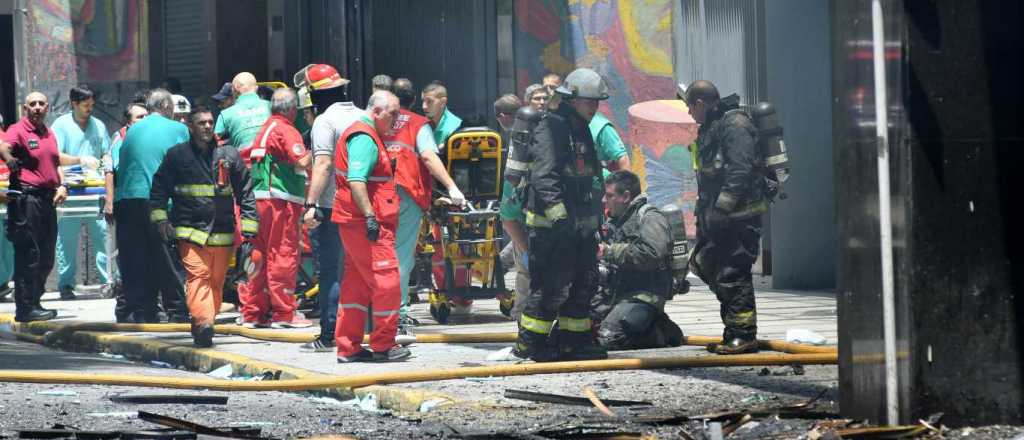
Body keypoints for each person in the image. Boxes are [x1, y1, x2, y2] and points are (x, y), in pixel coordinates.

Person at [506, 68, 608, 362]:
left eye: (596, 102)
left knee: (584, 283)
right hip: (553, 227)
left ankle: (573, 342)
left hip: (580, 227)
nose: (594, 107)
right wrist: (561, 218)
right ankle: (529, 344)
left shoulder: (581, 127)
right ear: (573, 100)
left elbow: (587, 174)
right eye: (590, 102)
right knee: (551, 286)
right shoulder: (552, 126)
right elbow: (544, 176)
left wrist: (593, 220)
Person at [150, 106, 258, 347]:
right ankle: (204, 324)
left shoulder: (228, 156)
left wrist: (249, 232)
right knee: (199, 277)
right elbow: (158, 189)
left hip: (222, 233)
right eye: (202, 123)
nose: (208, 127)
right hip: (190, 232)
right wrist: (161, 221)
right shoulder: (177, 156)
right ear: (190, 126)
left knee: (217, 283)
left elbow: (246, 193)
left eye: (210, 122)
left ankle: (204, 320)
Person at [683, 80, 767, 355]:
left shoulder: (735, 126)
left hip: (739, 218)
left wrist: (722, 208)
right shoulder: (711, 128)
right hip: (717, 218)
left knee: (733, 273)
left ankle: (743, 336)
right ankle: (732, 331)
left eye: (689, 107)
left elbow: (740, 172)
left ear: (700, 103)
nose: (689, 114)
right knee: (706, 264)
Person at [1, 92, 93, 321]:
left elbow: (54, 161)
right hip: (26, 199)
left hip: (47, 200)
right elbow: (3, 146)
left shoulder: (48, 133)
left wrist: (63, 185)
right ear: (25, 108)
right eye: (33, 104)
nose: (37, 107)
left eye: (41, 103)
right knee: (29, 253)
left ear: (47, 107)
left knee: (47, 255)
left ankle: (35, 301)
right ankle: (25, 308)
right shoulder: (18, 130)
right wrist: (9, 158)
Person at [332, 90, 409, 363]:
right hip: (366, 225)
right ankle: (383, 346)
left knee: (356, 285)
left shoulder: (365, 134)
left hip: (355, 222)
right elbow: (356, 180)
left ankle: (348, 347)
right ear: (376, 112)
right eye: (393, 114)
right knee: (387, 282)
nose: (397, 120)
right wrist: (370, 217)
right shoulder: (364, 138)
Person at [385, 78, 465, 334]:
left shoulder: (376, 120)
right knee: (401, 257)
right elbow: (429, 157)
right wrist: (452, 187)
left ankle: (377, 310)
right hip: (406, 194)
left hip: (376, 195)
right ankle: (398, 314)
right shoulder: (418, 124)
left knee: (378, 253)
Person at [298, 64, 361, 352]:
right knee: (358, 270)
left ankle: (329, 334)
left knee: (330, 273)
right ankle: (358, 330)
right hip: (362, 208)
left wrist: (310, 203)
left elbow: (322, 165)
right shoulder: (363, 116)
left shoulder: (324, 122)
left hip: (332, 208)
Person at [114, 89, 191, 323]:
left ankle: (143, 311)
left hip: (127, 201)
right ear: (168, 107)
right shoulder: (178, 129)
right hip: (157, 201)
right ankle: (177, 311)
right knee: (167, 258)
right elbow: (189, 164)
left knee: (138, 257)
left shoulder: (133, 129)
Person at [240, 88, 313, 328]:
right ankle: (284, 313)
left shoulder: (266, 128)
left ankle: (254, 312)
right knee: (283, 254)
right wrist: (323, 153)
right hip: (279, 201)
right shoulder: (286, 129)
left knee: (259, 256)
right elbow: (301, 161)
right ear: (292, 110)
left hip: (260, 200)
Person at [594, 170, 683, 350]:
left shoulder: (650, 217)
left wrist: (610, 251)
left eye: (610, 195)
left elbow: (651, 253)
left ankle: (662, 331)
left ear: (626, 196)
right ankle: (642, 325)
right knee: (574, 330)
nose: (604, 200)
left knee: (609, 338)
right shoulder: (615, 221)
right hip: (616, 294)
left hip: (643, 295)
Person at [51, 85, 110, 300]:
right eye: (85, 105)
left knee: (102, 236)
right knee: (66, 240)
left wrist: (104, 162)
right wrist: (79, 160)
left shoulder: (99, 126)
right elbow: (54, 155)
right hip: (71, 191)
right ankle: (66, 284)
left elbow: (105, 153)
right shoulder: (61, 125)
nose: (89, 109)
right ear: (74, 103)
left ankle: (107, 281)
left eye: (92, 105)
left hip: (96, 191)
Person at [104, 102, 148, 321]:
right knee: (129, 257)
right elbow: (110, 170)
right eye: (139, 117)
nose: (144, 120)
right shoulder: (120, 139)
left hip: (146, 203)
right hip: (126, 204)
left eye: (146, 116)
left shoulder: (150, 138)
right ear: (128, 121)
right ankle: (125, 307)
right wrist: (109, 202)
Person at [494, 94, 530, 321]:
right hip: (535, 213)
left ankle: (521, 317)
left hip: (522, 214)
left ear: (502, 117)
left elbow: (512, 180)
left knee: (525, 271)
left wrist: (508, 212)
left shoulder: (518, 139)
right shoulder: (536, 131)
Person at [215, 72, 271, 156]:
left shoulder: (225, 115)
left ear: (233, 90)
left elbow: (215, 142)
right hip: (272, 165)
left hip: (242, 166)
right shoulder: (271, 107)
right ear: (256, 89)